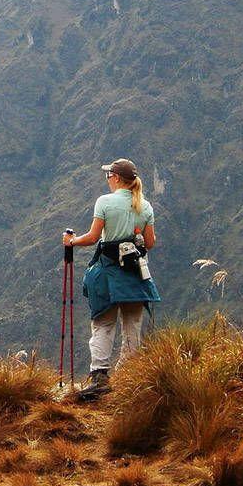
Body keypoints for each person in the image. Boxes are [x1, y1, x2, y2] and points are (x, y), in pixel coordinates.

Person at [62, 158, 161, 399]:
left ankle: (100, 378)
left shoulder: (105, 202)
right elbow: (150, 243)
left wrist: (71, 242)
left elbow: (93, 237)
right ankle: (129, 378)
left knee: (103, 324)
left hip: (108, 273)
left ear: (115, 178)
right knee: (132, 327)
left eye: (109, 175)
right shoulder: (145, 207)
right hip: (135, 273)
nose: (107, 179)